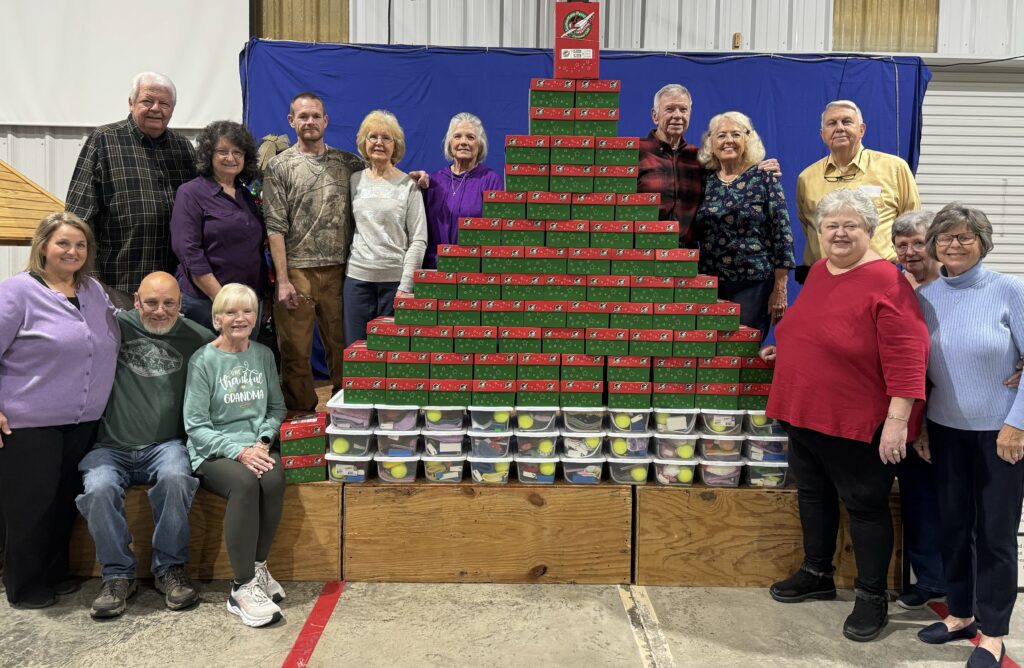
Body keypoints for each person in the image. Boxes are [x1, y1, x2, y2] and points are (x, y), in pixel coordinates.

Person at [759, 189, 928, 642]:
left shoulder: (888, 281)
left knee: (866, 508)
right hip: (804, 411)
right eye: (830, 224)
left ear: (870, 231)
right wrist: (788, 347)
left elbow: (909, 354)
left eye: (850, 225)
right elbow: (821, 326)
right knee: (812, 495)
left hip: (857, 423)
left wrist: (897, 420)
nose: (838, 232)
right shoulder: (818, 272)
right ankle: (817, 573)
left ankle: (871, 597)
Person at [914, 204, 1024, 668]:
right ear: (933, 244)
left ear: (983, 242)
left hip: (1000, 434)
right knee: (954, 526)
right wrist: (919, 424)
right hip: (944, 430)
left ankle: (994, 632)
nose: (954, 245)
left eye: (965, 237)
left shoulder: (1009, 290)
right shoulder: (925, 296)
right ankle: (961, 613)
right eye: (945, 237)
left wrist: (1017, 423)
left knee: (995, 534)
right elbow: (916, 367)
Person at [75, 271, 213, 619]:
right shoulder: (113, 331)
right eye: (151, 302)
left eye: (169, 303)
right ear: (136, 301)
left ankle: (170, 569)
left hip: (165, 444)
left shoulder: (199, 339)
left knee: (176, 478)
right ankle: (117, 575)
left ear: (181, 305)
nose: (160, 310)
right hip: (110, 445)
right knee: (98, 489)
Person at [0, 212, 119, 608]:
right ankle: (25, 586)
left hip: (82, 419)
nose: (73, 251)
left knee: (64, 502)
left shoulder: (93, 291)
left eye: (80, 245)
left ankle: (54, 573)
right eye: (63, 243)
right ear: (43, 247)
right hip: (30, 421)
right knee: (31, 507)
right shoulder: (17, 292)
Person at [184, 284, 286, 628]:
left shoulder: (263, 354)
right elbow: (196, 426)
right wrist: (239, 452)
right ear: (217, 319)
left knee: (273, 479)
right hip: (214, 450)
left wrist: (263, 440)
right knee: (245, 484)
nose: (239, 318)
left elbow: (276, 408)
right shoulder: (203, 361)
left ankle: (257, 569)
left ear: (256, 318)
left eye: (247, 311)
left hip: (254, 446)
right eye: (230, 312)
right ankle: (240, 589)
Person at [261, 92, 365, 410]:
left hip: (341, 272)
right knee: (294, 352)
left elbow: (380, 185)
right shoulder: (279, 167)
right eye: (302, 116)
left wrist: (412, 180)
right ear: (292, 121)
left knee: (344, 350)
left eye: (315, 115)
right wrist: (282, 279)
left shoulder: (349, 163)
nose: (310, 121)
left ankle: (349, 415)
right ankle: (301, 418)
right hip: (296, 271)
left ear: (325, 120)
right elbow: (274, 226)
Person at [65, 72, 197, 308]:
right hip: (117, 284)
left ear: (172, 109)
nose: (156, 108)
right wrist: (88, 280)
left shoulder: (183, 148)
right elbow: (78, 218)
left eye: (164, 104)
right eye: (148, 101)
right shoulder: (104, 140)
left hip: (170, 287)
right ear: (131, 103)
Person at [885, 211, 947, 612]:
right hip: (905, 411)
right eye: (902, 244)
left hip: (947, 411)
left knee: (956, 503)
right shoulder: (892, 285)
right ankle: (930, 581)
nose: (910, 251)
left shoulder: (953, 286)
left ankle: (966, 583)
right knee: (919, 500)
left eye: (918, 242)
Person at [638, 84, 780, 247]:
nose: (677, 116)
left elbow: (733, 169)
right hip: (645, 251)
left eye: (683, 110)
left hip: (688, 255)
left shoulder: (700, 158)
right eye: (670, 109)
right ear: (655, 115)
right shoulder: (635, 152)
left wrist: (760, 167)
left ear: (689, 114)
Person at [694, 111, 795, 338]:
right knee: (712, 352)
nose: (728, 140)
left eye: (736, 134)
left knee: (742, 350)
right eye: (721, 135)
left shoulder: (764, 177)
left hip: (754, 283)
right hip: (709, 283)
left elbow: (782, 233)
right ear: (711, 142)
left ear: (747, 140)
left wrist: (780, 287)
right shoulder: (704, 181)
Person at [796, 100, 920, 271]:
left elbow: (912, 226)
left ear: (862, 129)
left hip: (879, 275)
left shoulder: (895, 168)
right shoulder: (806, 178)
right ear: (823, 134)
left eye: (847, 121)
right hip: (823, 277)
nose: (839, 128)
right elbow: (809, 226)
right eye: (832, 123)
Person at [171, 121, 265, 332]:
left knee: (241, 364)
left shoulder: (246, 195)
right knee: (207, 363)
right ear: (208, 155)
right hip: (206, 303)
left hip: (248, 303)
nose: (230, 158)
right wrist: (223, 302)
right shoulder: (190, 193)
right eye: (222, 151)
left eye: (237, 152)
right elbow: (189, 252)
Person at [344, 110, 428, 346]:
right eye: (373, 137)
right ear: (364, 142)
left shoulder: (409, 185)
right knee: (356, 354)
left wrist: (406, 286)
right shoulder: (354, 180)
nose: (378, 143)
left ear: (396, 146)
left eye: (386, 138)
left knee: (390, 358)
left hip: (394, 284)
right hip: (357, 282)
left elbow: (419, 240)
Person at [411, 112, 503, 269]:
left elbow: (497, 233)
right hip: (434, 269)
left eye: (470, 137)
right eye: (457, 136)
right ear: (449, 143)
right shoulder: (432, 181)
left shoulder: (491, 180)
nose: (463, 142)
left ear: (480, 145)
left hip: (473, 270)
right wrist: (413, 185)